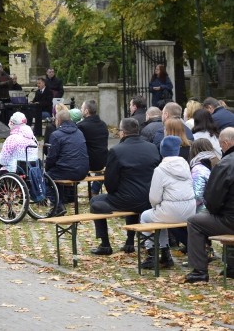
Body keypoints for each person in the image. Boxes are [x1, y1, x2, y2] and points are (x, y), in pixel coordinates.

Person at [89, 118, 160, 256]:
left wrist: (115, 191)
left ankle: (105, 244)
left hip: (128, 199)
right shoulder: (151, 147)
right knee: (129, 195)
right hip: (149, 198)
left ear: (123, 133)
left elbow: (110, 182)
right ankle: (129, 241)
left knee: (95, 202)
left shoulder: (116, 150)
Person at [136, 135, 195, 269]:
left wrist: (157, 206)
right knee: (159, 217)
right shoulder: (185, 165)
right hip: (190, 210)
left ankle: (152, 254)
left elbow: (154, 198)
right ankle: (165, 254)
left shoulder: (160, 169)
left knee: (146, 217)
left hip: (170, 210)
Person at [185, 127, 234, 283]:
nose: (220, 148)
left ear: (227, 143)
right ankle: (231, 266)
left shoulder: (225, 164)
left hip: (230, 220)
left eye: (221, 145)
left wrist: (216, 211)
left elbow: (212, 199)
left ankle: (199, 270)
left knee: (194, 222)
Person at [45, 109, 89, 210]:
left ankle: (57, 204)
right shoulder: (79, 132)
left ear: (58, 120)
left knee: (43, 179)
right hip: (83, 170)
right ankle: (59, 202)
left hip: (68, 171)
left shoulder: (56, 135)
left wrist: (47, 169)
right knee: (55, 173)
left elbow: (51, 157)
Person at [76, 99, 109, 173]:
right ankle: (96, 184)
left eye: (82, 108)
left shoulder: (81, 126)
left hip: (89, 162)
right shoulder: (103, 124)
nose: (80, 110)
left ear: (86, 111)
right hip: (104, 160)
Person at [188, 138, 219, 214]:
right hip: (218, 210)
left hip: (203, 211)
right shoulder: (219, 162)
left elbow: (197, 195)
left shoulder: (198, 169)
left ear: (194, 151)